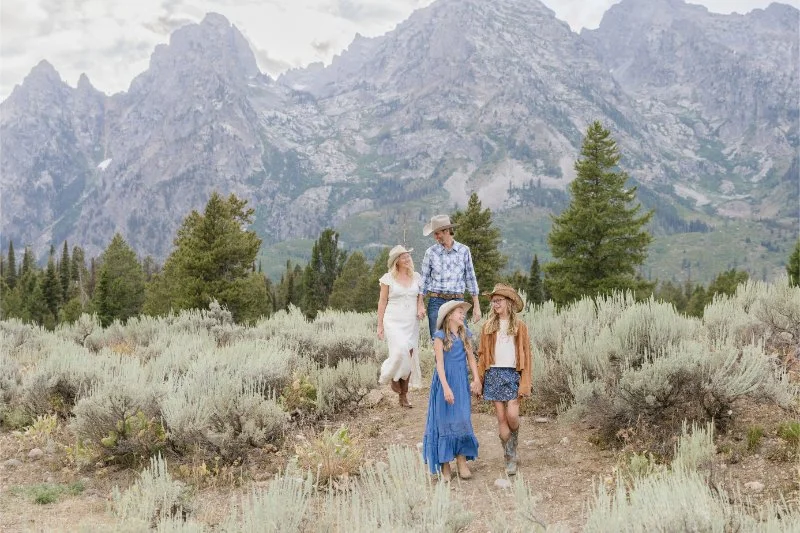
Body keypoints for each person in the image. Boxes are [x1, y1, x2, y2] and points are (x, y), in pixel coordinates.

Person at [476, 284, 532, 476]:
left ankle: (513, 445)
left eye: (498, 301)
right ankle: (510, 457)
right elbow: (482, 355)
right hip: (494, 375)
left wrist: (525, 382)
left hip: (512, 374)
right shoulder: (488, 327)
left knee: (512, 416)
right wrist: (479, 379)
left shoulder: (519, 327)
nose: (495, 304)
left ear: (508, 303)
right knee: (501, 418)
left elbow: (527, 355)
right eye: (493, 302)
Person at [422, 300, 482, 480]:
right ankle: (445, 463)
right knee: (444, 419)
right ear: (449, 316)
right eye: (459, 312)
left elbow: (471, 359)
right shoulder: (440, 336)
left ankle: (461, 460)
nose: (463, 314)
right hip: (444, 382)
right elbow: (439, 364)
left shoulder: (465, 335)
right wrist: (446, 387)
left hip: (461, 381)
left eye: (463, 312)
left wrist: (477, 379)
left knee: (462, 417)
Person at [417, 214, 482, 339]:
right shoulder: (430, 252)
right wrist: (420, 304)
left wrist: (477, 307)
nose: (435, 237)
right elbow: (424, 280)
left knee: (462, 340)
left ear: (447, 231)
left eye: (437, 233)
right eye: (434, 234)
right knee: (437, 341)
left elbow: (471, 279)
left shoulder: (464, 251)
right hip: (436, 301)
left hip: (457, 302)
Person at [377, 245, 422, 408]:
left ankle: (403, 395)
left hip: (411, 321)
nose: (407, 259)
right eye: (404, 257)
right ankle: (391, 376)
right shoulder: (387, 278)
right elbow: (382, 302)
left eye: (408, 256)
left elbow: (420, 297)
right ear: (397, 261)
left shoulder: (416, 277)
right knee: (400, 350)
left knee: (408, 356)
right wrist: (379, 325)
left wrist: (421, 307)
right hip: (393, 320)